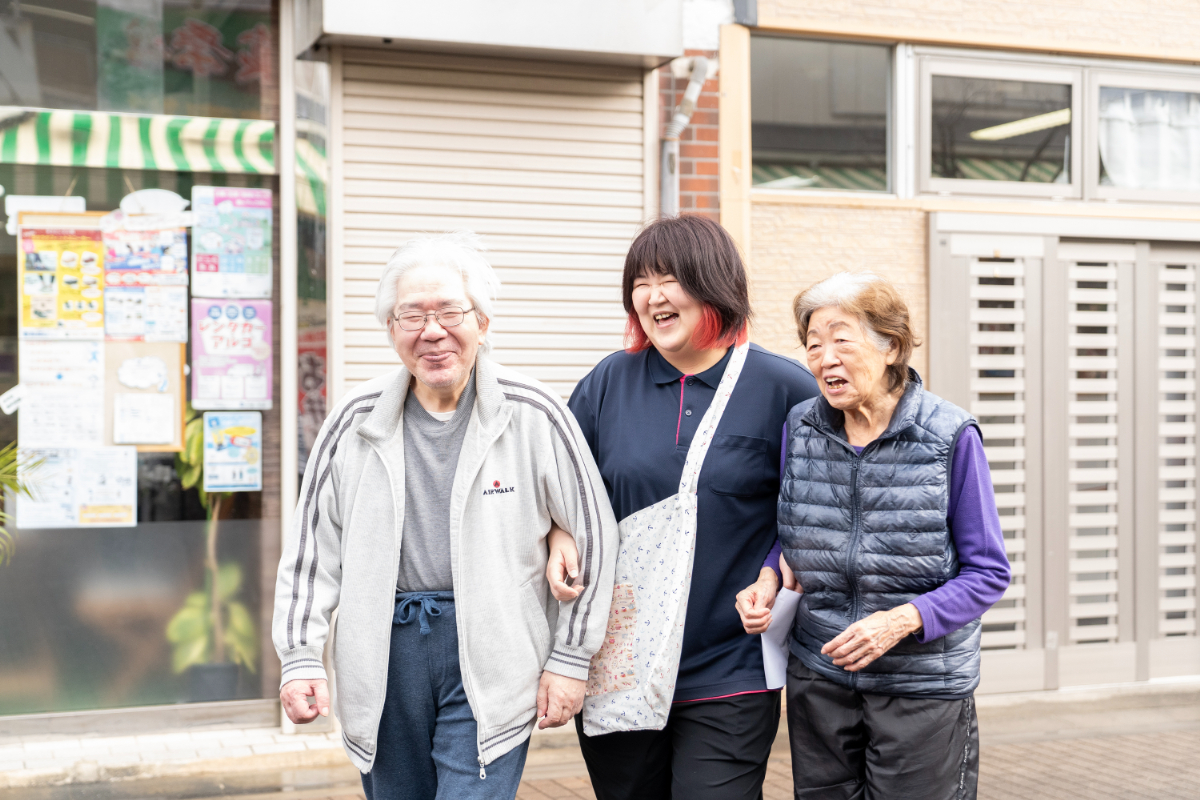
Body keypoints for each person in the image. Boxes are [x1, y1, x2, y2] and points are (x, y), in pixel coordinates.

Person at [272, 232, 618, 800]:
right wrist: (300, 656)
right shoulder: (353, 423)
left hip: (493, 647)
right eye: (411, 315)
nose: (432, 330)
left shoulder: (535, 414)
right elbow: (313, 552)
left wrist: (570, 657)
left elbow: (594, 535)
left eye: (450, 311)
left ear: (482, 323)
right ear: (391, 331)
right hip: (382, 654)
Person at [547, 214, 819, 799]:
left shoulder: (782, 387)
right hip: (620, 662)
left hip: (732, 664)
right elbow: (557, 492)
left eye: (667, 277)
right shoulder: (607, 383)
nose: (651, 295)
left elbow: (817, 507)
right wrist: (556, 536)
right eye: (640, 282)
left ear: (712, 284)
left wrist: (774, 568)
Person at [736, 271, 1011, 799]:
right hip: (821, 675)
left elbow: (988, 573)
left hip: (920, 687)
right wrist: (769, 577)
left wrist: (902, 621)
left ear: (892, 347)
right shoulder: (801, 427)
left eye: (842, 340)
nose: (824, 358)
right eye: (813, 345)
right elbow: (797, 526)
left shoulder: (949, 436)